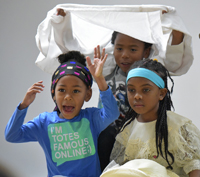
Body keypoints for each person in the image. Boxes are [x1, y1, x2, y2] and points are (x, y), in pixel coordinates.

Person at [4, 51, 120, 177]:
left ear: (87, 95)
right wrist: (23, 106)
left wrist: (99, 79)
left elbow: (112, 113)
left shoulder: (91, 118)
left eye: (76, 91)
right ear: (53, 93)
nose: (68, 97)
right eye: (62, 90)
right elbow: (12, 135)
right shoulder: (44, 123)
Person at [109, 59, 200, 177]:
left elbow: (194, 166)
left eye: (145, 90)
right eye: (131, 90)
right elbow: (120, 169)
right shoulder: (127, 130)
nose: (137, 96)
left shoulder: (178, 127)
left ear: (161, 93)